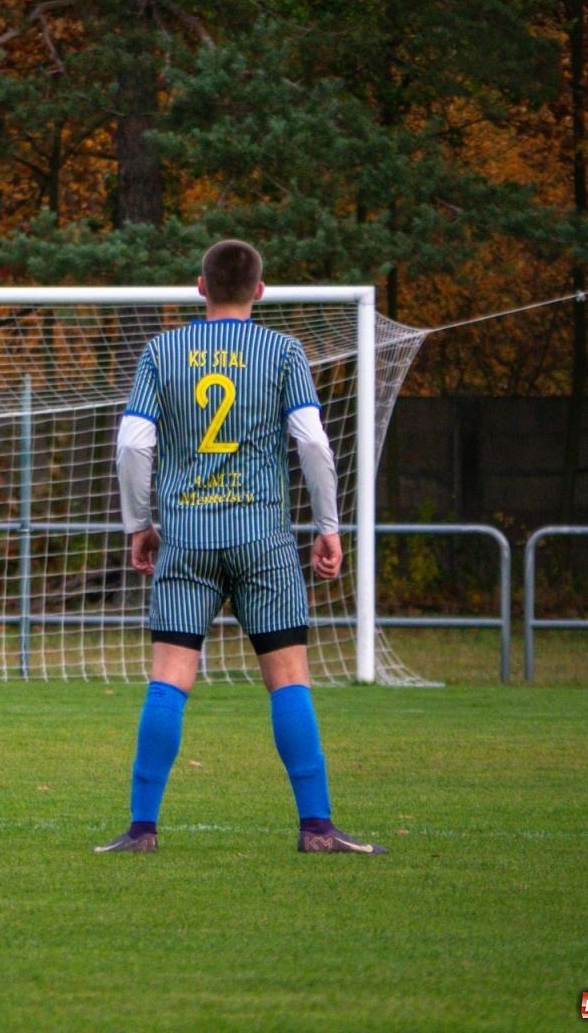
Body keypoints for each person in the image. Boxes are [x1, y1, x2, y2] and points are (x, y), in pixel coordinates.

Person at [96, 240, 386, 855]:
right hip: (262, 540)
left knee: (169, 680)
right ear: (260, 289)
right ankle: (317, 828)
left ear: (200, 286)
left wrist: (138, 523)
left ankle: (141, 829)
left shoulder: (161, 350)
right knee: (288, 681)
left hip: (187, 538)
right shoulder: (283, 351)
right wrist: (328, 525)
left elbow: (131, 445)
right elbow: (312, 444)